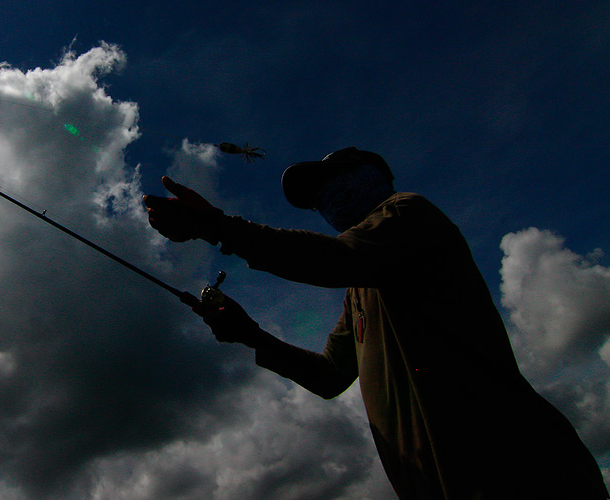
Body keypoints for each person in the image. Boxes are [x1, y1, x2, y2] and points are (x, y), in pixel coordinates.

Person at [143, 147, 608, 499]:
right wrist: (251, 336)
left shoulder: (408, 214)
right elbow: (330, 377)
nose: (326, 199)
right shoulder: (359, 290)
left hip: (523, 473)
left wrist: (218, 227)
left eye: (334, 180)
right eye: (315, 199)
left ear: (374, 176)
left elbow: (336, 258)